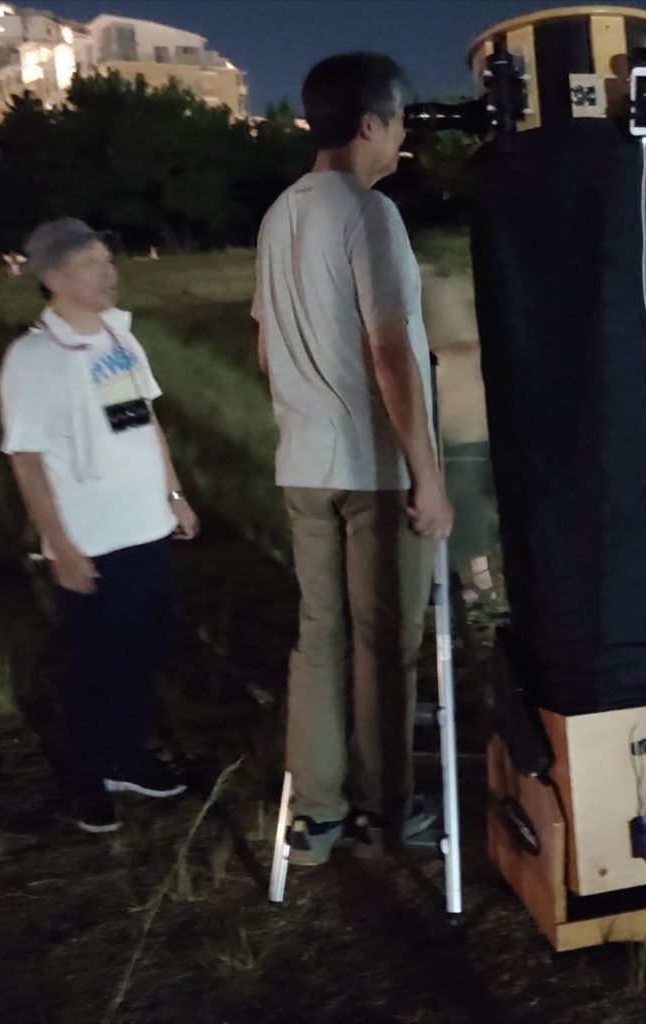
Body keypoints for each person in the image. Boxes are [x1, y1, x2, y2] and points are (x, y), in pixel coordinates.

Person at [252, 53, 453, 865]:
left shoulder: (278, 215)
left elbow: (266, 351)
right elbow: (391, 354)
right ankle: (385, 808)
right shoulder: (371, 216)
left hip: (303, 465)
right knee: (384, 644)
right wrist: (428, 477)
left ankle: (317, 814)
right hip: (372, 471)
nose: (403, 138)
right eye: (399, 122)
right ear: (371, 124)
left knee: (319, 639)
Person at [0, 218, 199, 834]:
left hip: (146, 526)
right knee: (94, 661)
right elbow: (26, 459)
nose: (109, 271)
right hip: (91, 538)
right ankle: (86, 777)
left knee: (142, 651)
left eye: (107, 260)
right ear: (54, 277)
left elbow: (145, 421)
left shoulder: (118, 336)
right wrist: (60, 544)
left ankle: (125, 757)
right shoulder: (34, 358)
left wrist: (174, 495)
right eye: (91, 263)